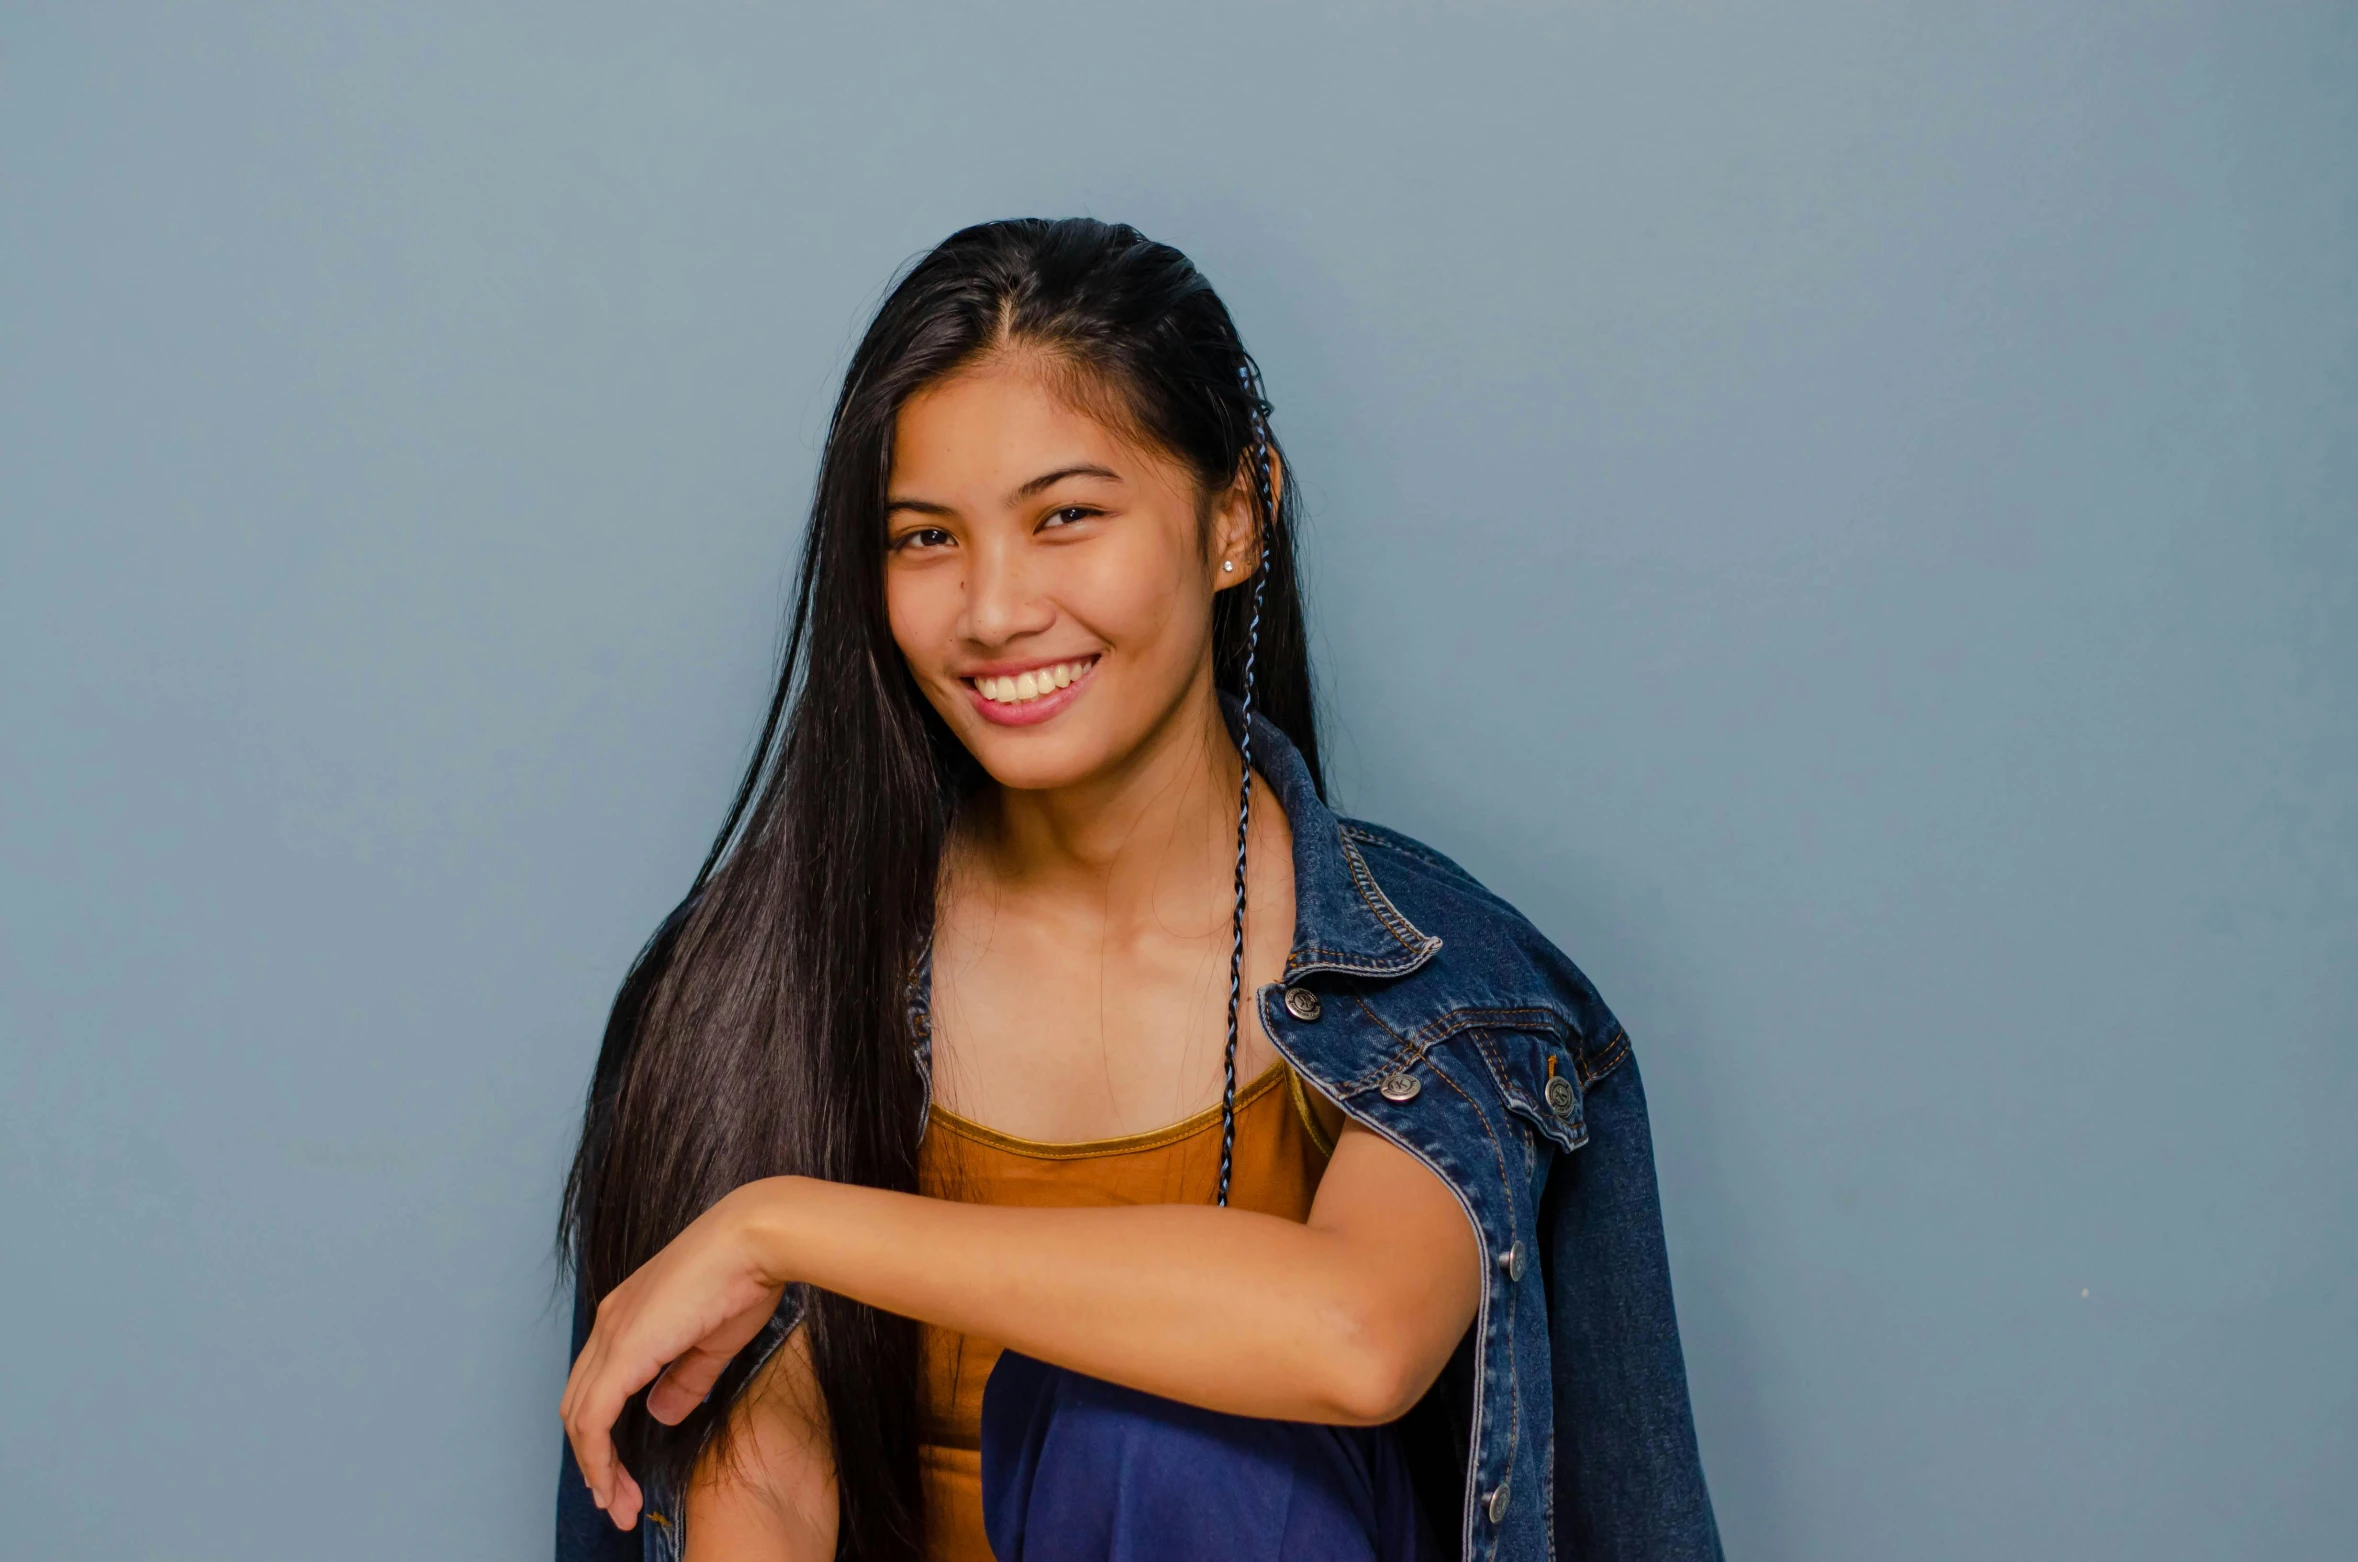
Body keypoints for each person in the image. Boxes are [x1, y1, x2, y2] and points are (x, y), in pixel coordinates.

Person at [556, 218, 1722, 1562]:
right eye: (926, 538)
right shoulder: (758, 984)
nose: (992, 609)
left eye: (1065, 517)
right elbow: (736, 1485)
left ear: (1234, 515)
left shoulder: (1435, 989)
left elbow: (1354, 1334)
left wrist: (780, 1224)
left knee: (1159, 1428)